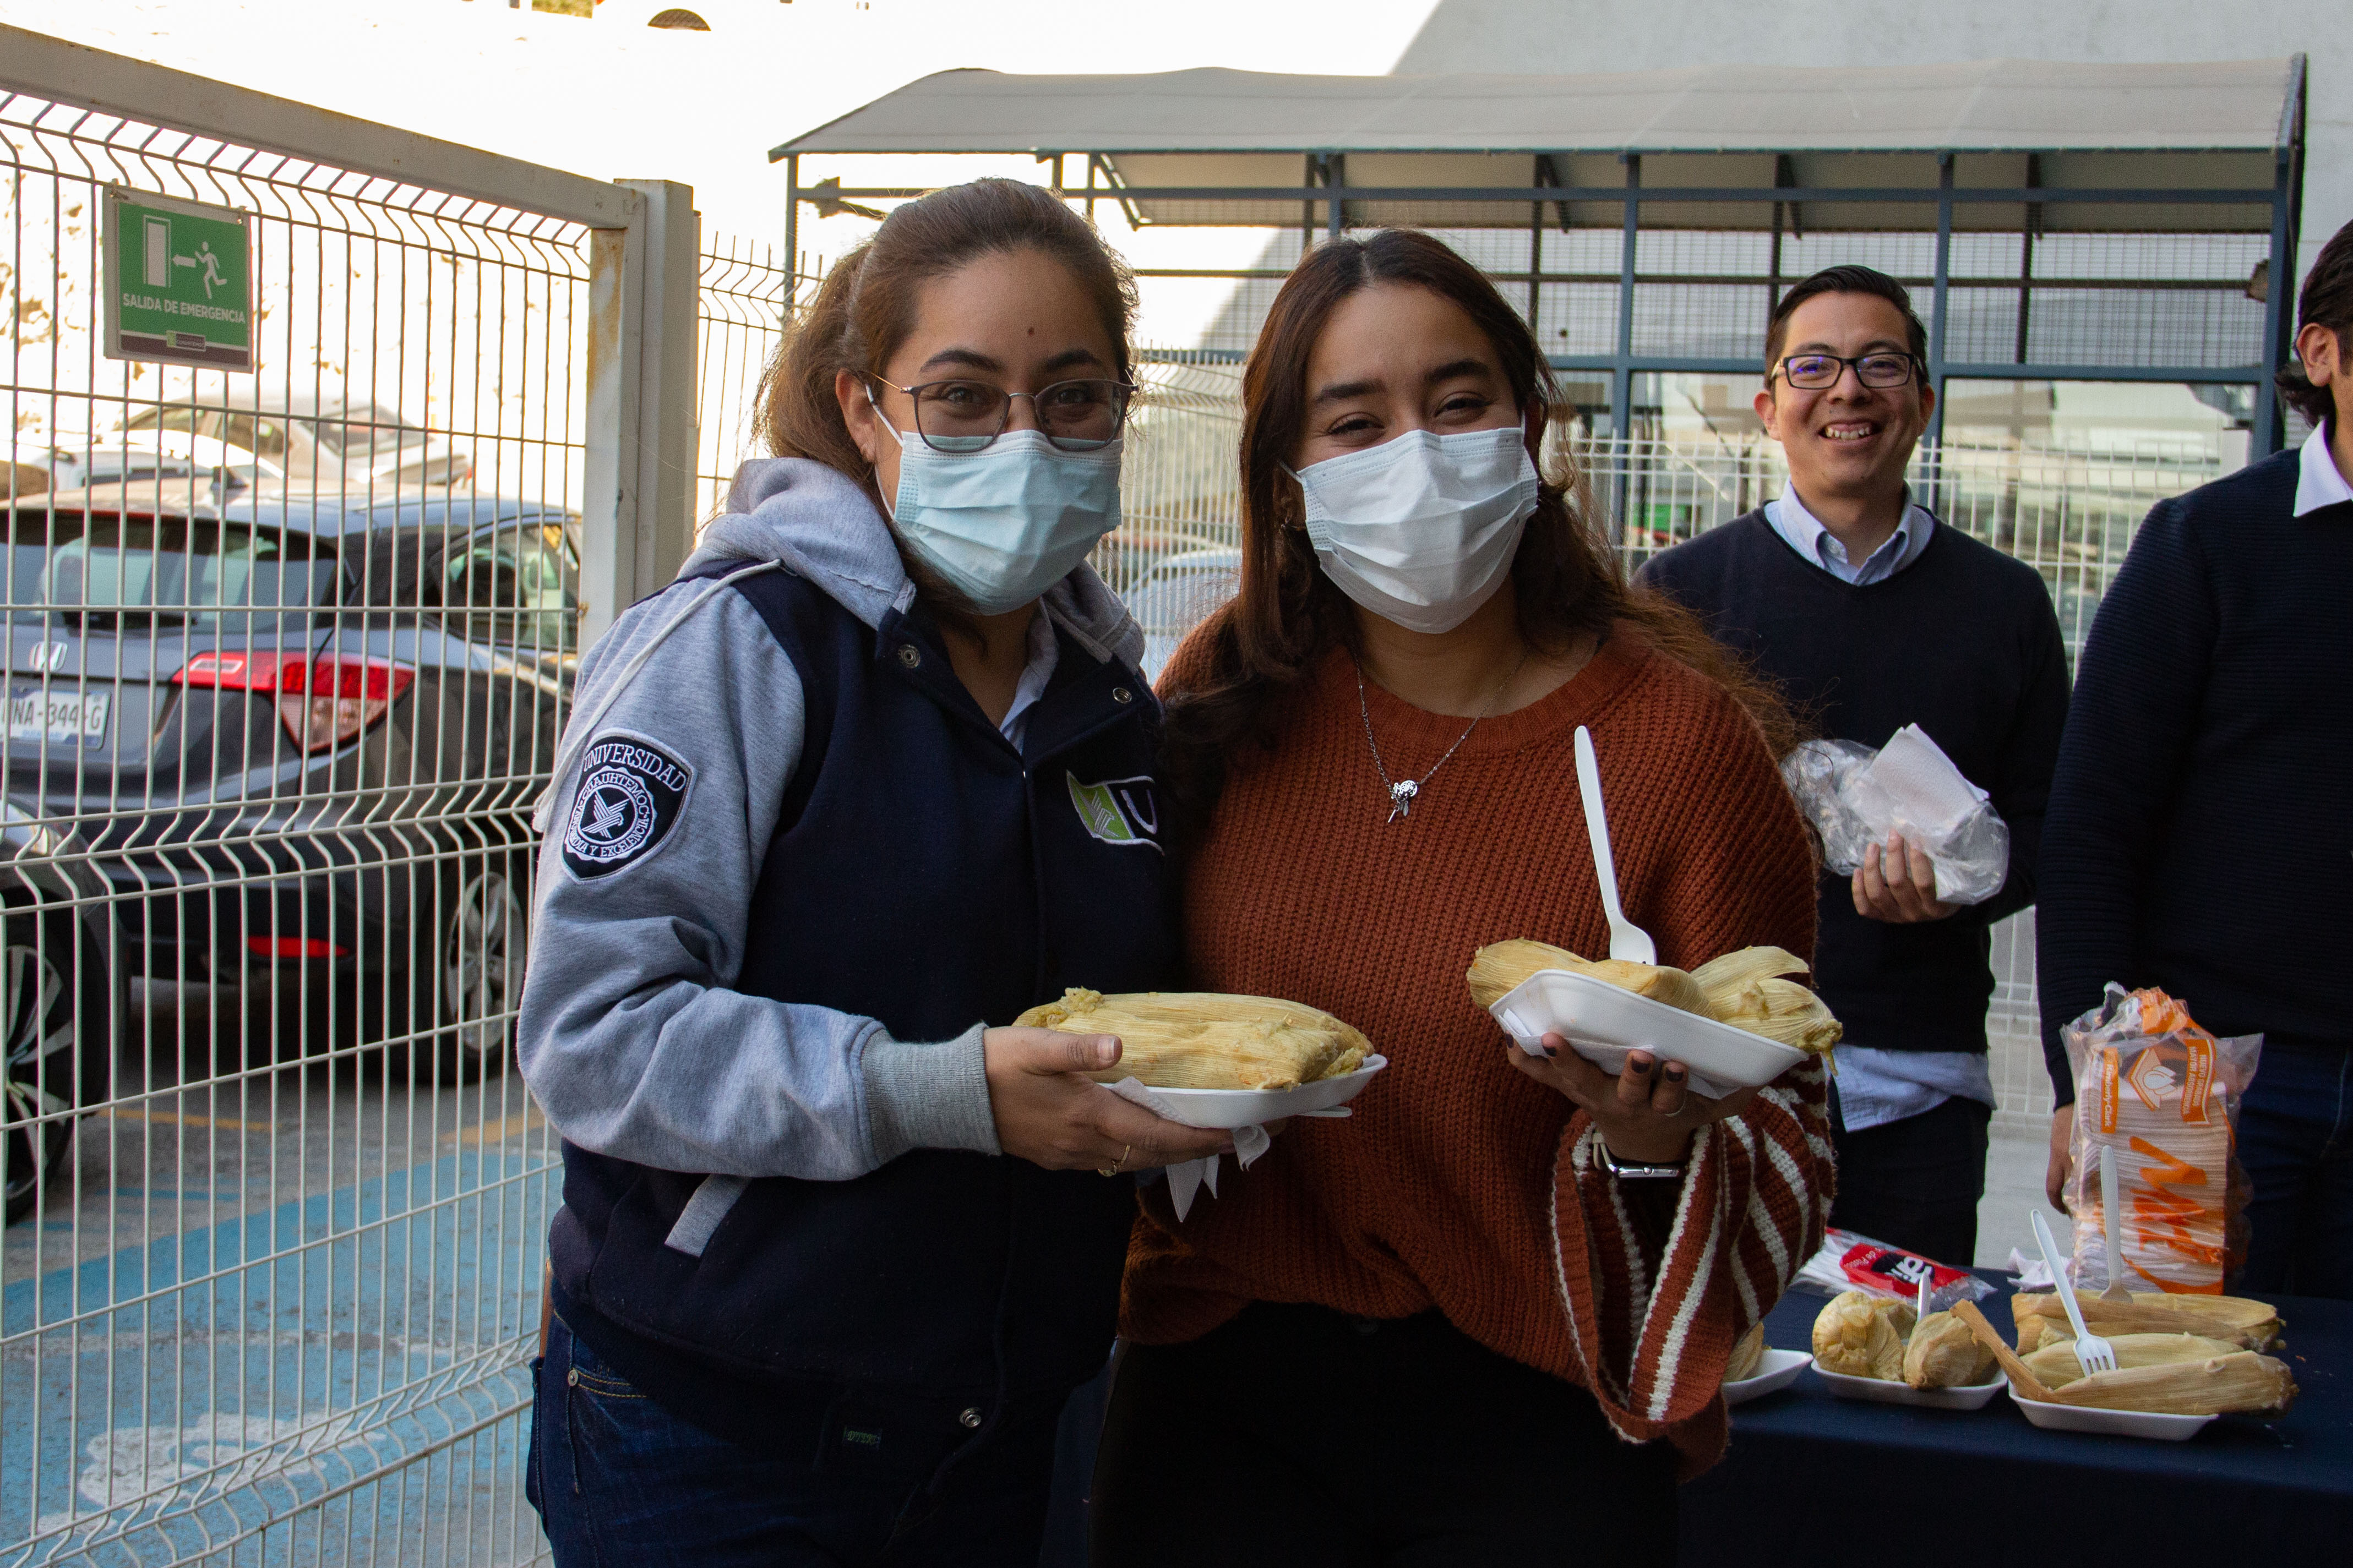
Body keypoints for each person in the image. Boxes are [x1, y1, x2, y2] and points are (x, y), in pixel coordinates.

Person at [1087, 230, 1833, 1568]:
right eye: (1354, 422)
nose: (1416, 455)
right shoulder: (1221, 698)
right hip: (1220, 1389)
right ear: (1288, 477)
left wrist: (1653, 1143)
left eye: (1458, 402)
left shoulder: (1679, 751)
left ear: (1529, 427)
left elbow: (1790, 1133)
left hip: (1540, 1421)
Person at [514, 178, 1230, 1567]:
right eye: (963, 396)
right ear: (862, 412)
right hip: (722, 1437)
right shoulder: (739, 650)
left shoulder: (1108, 699)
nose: (1024, 440)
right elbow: (592, 1033)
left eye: (1072, 397)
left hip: (1000, 1431)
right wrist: (936, 1095)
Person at [1641, 265, 2069, 1269]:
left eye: (1880, 363)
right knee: (1724, 1370)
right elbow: (1627, 821)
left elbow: (2055, 824)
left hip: (1919, 1087)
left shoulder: (2003, 604)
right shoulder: (1680, 599)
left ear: (1921, 402)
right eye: (1815, 365)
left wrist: (1963, 890)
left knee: (1906, 1370)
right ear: (1768, 406)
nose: (1848, 390)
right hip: (1723, 1072)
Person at [2036, 218, 2353, 1298]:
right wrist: (2083, 1083)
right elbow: (2091, 829)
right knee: (2178, 1401)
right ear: (2322, 355)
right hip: (2200, 1088)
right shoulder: (2206, 546)